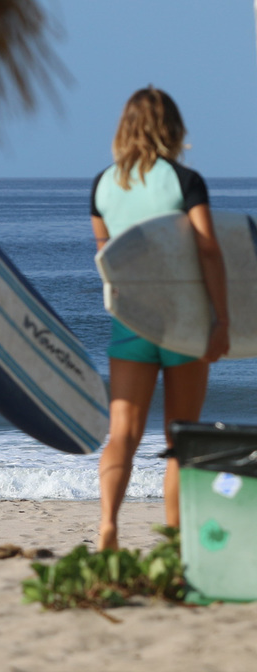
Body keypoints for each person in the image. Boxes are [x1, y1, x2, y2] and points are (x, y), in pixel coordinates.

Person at [91, 86, 230, 551]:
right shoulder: (185, 181)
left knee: (122, 434)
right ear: (172, 128)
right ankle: (172, 539)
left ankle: (108, 524)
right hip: (185, 322)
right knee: (180, 437)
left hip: (131, 319)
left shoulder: (103, 185)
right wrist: (223, 319)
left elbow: (107, 258)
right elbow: (208, 248)